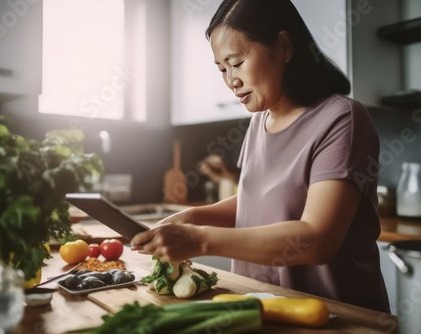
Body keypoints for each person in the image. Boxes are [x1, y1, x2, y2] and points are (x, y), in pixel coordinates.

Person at [131, 0, 390, 313]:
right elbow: (257, 201)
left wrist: (200, 240)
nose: (230, 80)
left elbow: (317, 238)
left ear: (283, 46)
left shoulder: (343, 118)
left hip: (337, 316)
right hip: (261, 305)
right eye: (222, 69)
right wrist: (191, 217)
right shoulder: (259, 122)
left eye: (236, 63)